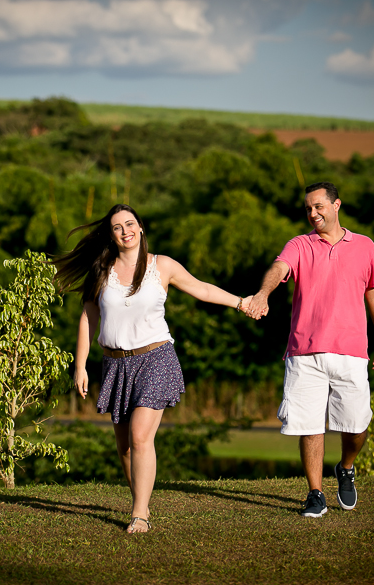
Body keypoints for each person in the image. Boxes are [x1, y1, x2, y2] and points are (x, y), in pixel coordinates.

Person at [53, 204, 250, 533]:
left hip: (155, 358)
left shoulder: (162, 266)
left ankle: (139, 514)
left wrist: (241, 302)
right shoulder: (101, 270)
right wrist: (80, 365)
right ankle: (141, 502)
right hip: (116, 364)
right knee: (125, 448)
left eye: (130, 224)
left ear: (141, 227)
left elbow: (201, 288)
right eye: (117, 227)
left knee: (140, 435)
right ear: (111, 235)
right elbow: (88, 317)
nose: (125, 231)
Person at [245, 182, 374, 518]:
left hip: (351, 351)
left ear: (336, 205)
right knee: (310, 426)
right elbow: (279, 269)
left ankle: (346, 467)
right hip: (304, 352)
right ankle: (315, 493)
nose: (312, 213)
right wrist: (263, 294)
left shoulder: (365, 246)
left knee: (356, 426)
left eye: (318, 206)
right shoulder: (299, 244)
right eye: (308, 208)